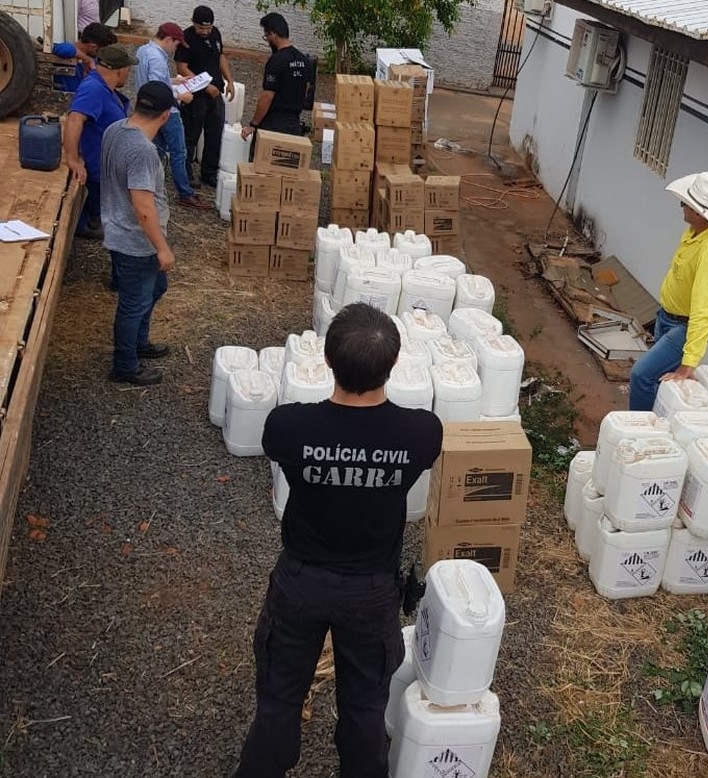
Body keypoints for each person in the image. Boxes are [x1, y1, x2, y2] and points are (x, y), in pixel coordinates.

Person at [232, 302, 444, 778]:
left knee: (280, 698)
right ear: (391, 366)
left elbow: (275, 446)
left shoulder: (289, 426)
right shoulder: (419, 432)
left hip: (301, 581)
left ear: (327, 361)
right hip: (371, 590)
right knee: (365, 706)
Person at [628, 171, 708, 412]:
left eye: (686, 204)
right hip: (667, 317)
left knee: (641, 376)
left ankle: (642, 429)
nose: (681, 206)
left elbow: (704, 310)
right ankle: (658, 420)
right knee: (660, 381)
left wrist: (688, 364)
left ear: (701, 213)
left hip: (685, 326)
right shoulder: (695, 231)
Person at [102, 81, 177, 386]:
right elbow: (143, 207)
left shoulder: (115, 129)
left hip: (118, 231)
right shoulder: (143, 151)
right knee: (132, 304)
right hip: (136, 241)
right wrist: (162, 247)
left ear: (137, 104)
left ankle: (139, 343)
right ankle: (125, 365)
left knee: (156, 288)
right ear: (166, 115)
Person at [135, 23, 212, 209]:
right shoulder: (157, 59)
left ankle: (147, 185)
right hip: (167, 110)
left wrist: (174, 80)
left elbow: (154, 81)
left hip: (150, 110)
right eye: (176, 45)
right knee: (179, 152)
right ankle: (185, 193)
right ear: (169, 39)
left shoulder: (144, 50)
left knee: (157, 150)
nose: (175, 49)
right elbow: (157, 89)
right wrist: (180, 95)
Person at [64, 45, 135, 241]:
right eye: (128, 71)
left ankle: (93, 221)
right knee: (100, 204)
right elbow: (75, 118)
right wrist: (72, 158)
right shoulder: (94, 88)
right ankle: (87, 224)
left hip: (106, 165)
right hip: (98, 167)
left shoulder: (103, 87)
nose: (128, 75)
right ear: (121, 70)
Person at [175, 5, 235, 189]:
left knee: (215, 134)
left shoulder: (215, 34)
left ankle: (209, 173)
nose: (205, 31)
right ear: (193, 23)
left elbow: (220, 57)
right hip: (196, 95)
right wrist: (204, 86)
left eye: (208, 28)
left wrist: (229, 80)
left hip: (216, 93)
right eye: (201, 28)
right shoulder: (186, 38)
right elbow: (181, 67)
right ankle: (186, 173)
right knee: (191, 135)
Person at [240, 13, 308, 141]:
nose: (267, 41)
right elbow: (305, 90)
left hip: (274, 125)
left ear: (273, 34)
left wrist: (254, 124)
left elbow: (267, 96)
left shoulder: (276, 61)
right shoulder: (304, 60)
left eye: (266, 37)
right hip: (294, 126)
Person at [52, 22, 117, 92]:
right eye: (100, 50)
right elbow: (64, 50)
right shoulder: (69, 49)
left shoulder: (94, 59)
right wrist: (87, 59)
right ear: (93, 47)